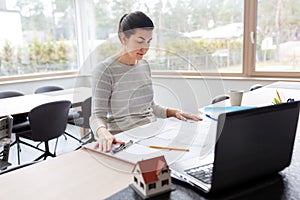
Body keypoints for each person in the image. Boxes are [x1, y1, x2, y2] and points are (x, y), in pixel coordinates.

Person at [90, 11, 201, 152]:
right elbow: (97, 116)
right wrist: (103, 133)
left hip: (152, 134)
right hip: (125, 139)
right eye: (140, 41)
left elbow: (150, 107)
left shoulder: (144, 65)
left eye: (149, 41)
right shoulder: (105, 70)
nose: (145, 48)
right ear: (124, 38)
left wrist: (174, 112)